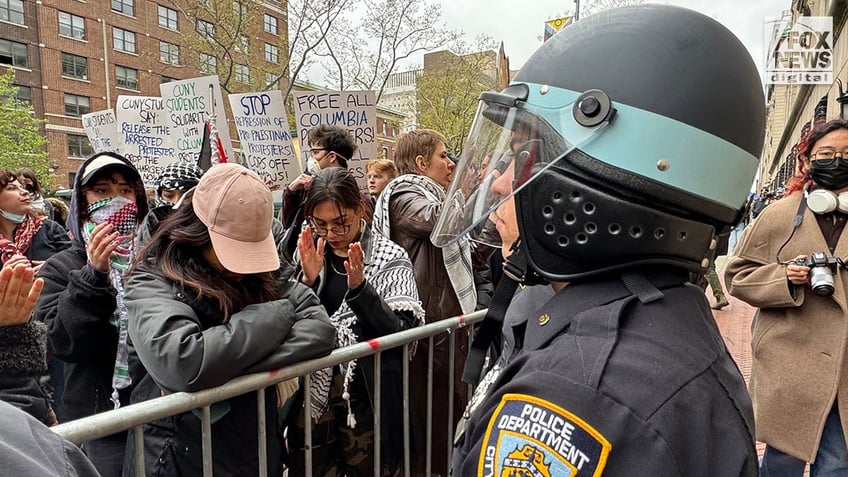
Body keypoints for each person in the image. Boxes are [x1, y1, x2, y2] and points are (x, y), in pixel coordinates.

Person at [433, 5, 765, 475]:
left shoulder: (577, 396)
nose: (503, 183)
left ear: (597, 181)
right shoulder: (663, 315)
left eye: (522, 158)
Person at [122, 163, 336, 477]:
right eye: (233, 250)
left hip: (254, 452)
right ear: (199, 232)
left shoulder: (264, 274)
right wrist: (273, 316)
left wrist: (223, 366)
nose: (243, 267)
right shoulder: (153, 278)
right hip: (178, 458)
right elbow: (183, 361)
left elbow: (319, 329)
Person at [726, 119, 848, 475]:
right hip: (788, 366)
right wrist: (785, 278)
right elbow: (738, 276)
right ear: (807, 160)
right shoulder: (779, 215)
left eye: (846, 154)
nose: (837, 161)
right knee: (783, 463)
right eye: (827, 153)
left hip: (844, 370)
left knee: (838, 464)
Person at [286, 167, 424, 475]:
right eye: (320, 224)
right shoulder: (309, 251)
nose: (331, 234)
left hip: (368, 400)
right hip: (313, 398)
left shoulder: (390, 257)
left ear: (359, 208)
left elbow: (402, 334)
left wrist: (361, 290)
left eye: (340, 223)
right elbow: (288, 321)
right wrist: (306, 283)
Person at [34, 152, 149, 476]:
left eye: (125, 191)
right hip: (100, 418)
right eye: (101, 191)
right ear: (82, 202)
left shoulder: (155, 258)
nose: (115, 201)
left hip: (155, 410)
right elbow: (59, 339)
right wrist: (93, 276)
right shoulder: (62, 266)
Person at [372, 128, 476, 475]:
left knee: (452, 418)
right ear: (420, 163)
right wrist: (468, 186)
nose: (451, 164)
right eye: (444, 156)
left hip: (446, 328)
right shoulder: (404, 193)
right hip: (430, 333)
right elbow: (439, 222)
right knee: (435, 424)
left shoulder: (432, 193)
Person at [281, 125, 355, 229]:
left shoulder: (351, 195)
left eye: (315, 152)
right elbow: (289, 226)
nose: (311, 158)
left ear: (332, 156)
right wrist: (291, 191)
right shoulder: (304, 188)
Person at [0, 168, 70, 271]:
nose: (24, 192)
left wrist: (55, 268)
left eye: (22, 187)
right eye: (12, 188)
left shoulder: (49, 229)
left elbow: (77, 263)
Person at [136, 161, 204, 246]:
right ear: (160, 194)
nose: (176, 202)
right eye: (168, 195)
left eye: (186, 196)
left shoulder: (208, 224)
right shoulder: (152, 220)